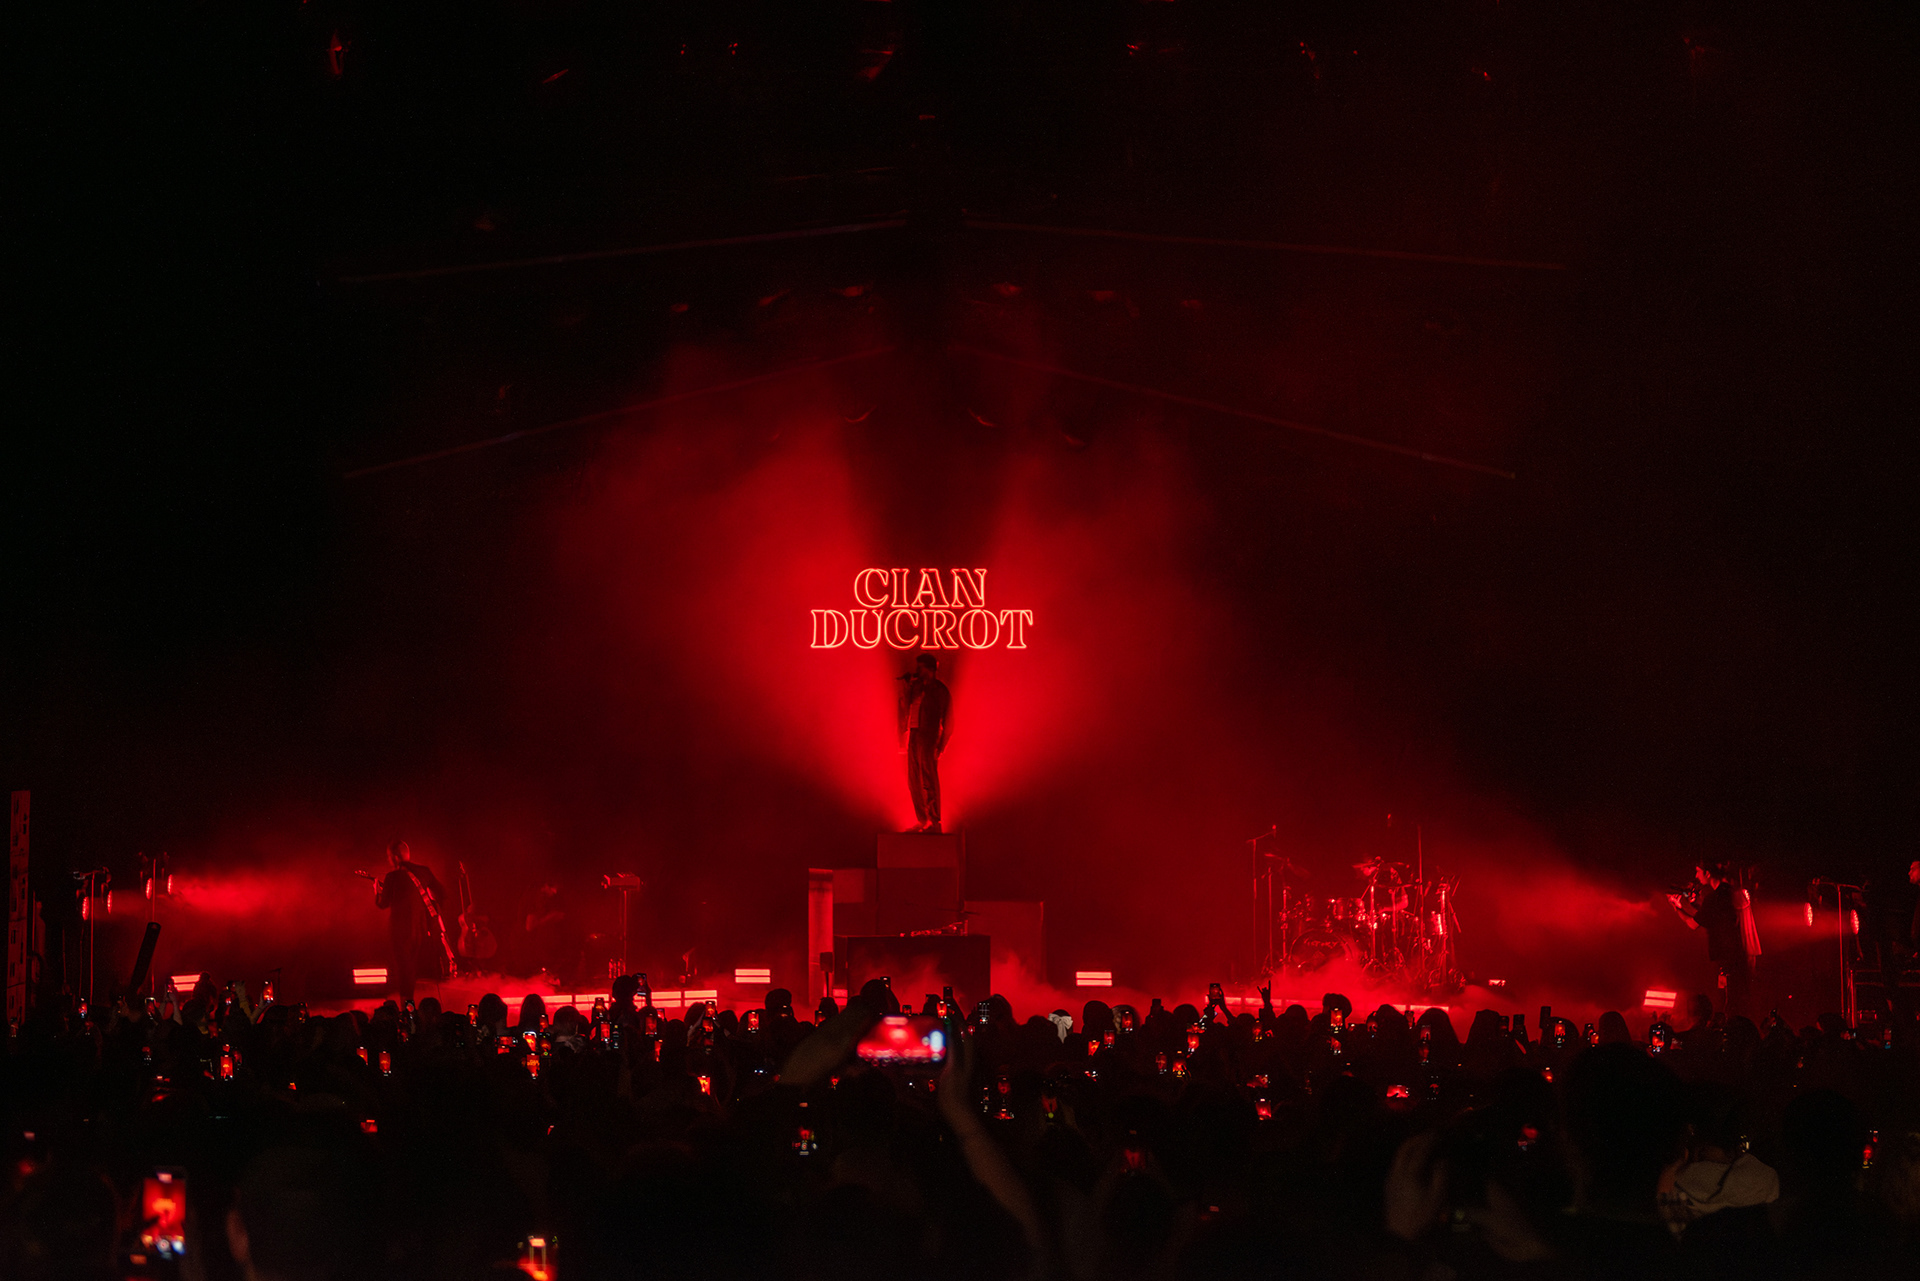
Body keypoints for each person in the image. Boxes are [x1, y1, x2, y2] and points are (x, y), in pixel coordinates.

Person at [1668, 862, 1753, 1019]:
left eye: (1698, 871)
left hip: (1726, 957)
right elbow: (1709, 915)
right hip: (1738, 956)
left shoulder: (1714, 897)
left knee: (1726, 1001)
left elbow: (1693, 924)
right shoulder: (1727, 893)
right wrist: (1693, 904)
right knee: (1734, 1000)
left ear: (1707, 873)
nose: (1696, 876)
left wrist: (1677, 907)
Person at [373, 841, 450, 1002]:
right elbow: (442, 893)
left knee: (403, 970)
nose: (388, 860)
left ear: (395, 857)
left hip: (399, 931)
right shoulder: (424, 871)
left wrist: (376, 892)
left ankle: (407, 1007)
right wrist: (432, 912)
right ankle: (413, 1004)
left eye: (388, 857)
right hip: (420, 929)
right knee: (412, 968)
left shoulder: (392, 877)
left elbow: (383, 904)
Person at [897, 651, 951, 832]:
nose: (917, 671)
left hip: (928, 736)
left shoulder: (940, 691)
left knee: (928, 779)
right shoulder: (916, 687)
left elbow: (949, 720)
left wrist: (941, 745)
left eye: (920, 668)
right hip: (914, 734)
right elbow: (905, 707)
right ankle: (922, 819)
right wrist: (906, 687)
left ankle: (934, 820)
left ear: (930, 669)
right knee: (913, 779)